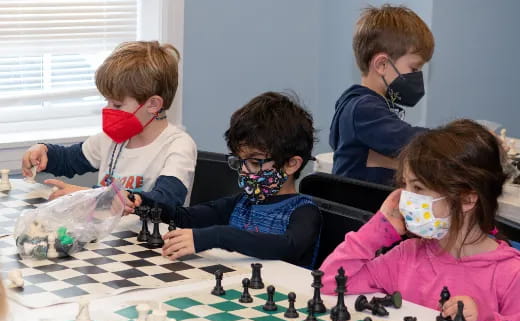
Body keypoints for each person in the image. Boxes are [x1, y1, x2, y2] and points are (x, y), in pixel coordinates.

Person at [320, 119, 520, 321]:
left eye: (418, 189)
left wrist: (486, 319)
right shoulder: (407, 254)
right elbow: (328, 282)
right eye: (405, 185)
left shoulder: (511, 273)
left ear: (467, 199)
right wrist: (379, 230)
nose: (405, 199)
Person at [21, 41, 196, 214]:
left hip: (149, 239)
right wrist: (44, 151)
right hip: (106, 235)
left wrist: (87, 196)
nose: (107, 109)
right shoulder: (112, 137)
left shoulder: (178, 146)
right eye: (107, 101)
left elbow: (165, 200)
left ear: (153, 104)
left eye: (117, 105)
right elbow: (69, 160)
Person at [160, 92, 322, 269]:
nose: (244, 170)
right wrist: (141, 203)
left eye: (254, 162)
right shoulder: (242, 204)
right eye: (240, 160)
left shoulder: (304, 212)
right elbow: (184, 217)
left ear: (291, 164)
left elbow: (287, 246)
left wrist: (219, 236)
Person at [329, 5, 434, 185]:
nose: (417, 76)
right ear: (382, 65)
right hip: (361, 209)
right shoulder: (364, 109)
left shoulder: (362, 105)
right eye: (414, 68)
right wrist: (457, 140)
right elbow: (410, 140)